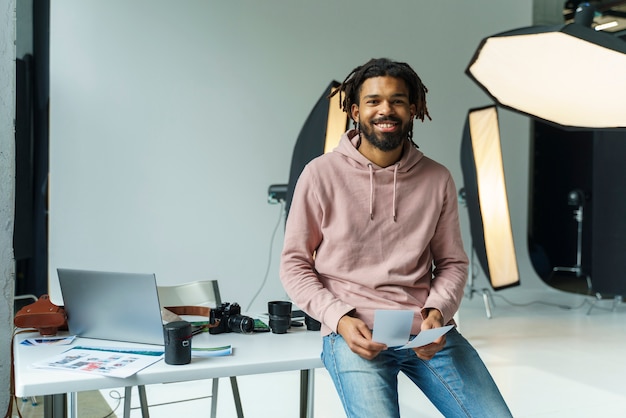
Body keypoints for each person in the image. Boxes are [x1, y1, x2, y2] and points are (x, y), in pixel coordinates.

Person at [279, 58, 512, 417]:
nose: (385, 109)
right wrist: (338, 318)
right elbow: (294, 264)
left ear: (414, 109)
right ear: (355, 110)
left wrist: (438, 312)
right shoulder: (320, 174)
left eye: (398, 100)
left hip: (425, 333)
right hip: (353, 333)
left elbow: (452, 262)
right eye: (373, 101)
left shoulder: (437, 179)